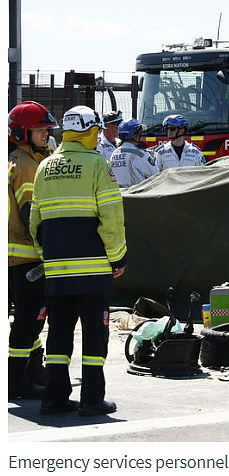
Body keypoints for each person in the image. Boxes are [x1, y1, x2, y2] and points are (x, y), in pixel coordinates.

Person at [30, 106, 127, 416]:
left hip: (57, 272)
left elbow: (36, 222)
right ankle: (92, 400)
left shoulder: (45, 167)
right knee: (95, 336)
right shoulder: (98, 165)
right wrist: (118, 257)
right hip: (94, 270)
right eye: (96, 132)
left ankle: (55, 397)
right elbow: (111, 217)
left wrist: (49, 257)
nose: (99, 136)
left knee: (58, 334)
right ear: (88, 132)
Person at [7, 101, 57, 400]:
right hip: (26, 256)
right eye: (39, 130)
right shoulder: (25, 164)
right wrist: (52, 247)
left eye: (46, 129)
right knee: (30, 318)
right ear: (21, 132)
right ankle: (15, 378)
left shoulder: (25, 158)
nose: (45, 134)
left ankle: (34, 371)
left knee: (32, 316)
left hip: (21, 257)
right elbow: (31, 214)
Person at [109, 119, 159, 188]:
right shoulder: (140, 154)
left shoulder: (114, 154)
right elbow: (156, 175)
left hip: (119, 196)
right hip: (136, 196)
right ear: (134, 134)